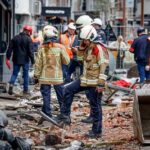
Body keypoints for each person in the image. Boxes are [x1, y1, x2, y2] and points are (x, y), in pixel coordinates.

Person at [55, 25, 109, 138]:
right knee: (68, 89)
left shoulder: (99, 49)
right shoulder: (88, 48)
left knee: (95, 106)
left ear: (92, 37)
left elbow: (104, 68)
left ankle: (96, 131)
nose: (84, 41)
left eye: (85, 40)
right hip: (85, 79)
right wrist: (79, 50)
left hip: (94, 82)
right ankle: (65, 116)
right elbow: (80, 61)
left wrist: (100, 84)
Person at [34, 25, 70, 121]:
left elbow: (38, 64)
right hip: (57, 77)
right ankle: (64, 115)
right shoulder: (61, 47)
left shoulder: (41, 48)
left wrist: (36, 76)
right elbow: (67, 61)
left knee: (46, 96)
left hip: (44, 77)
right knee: (61, 96)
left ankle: (47, 115)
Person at [6, 25, 34, 95]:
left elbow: (9, 49)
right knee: (25, 75)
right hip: (25, 60)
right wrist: (33, 60)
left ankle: (11, 84)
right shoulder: (29, 39)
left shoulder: (15, 38)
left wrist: (7, 58)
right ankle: (25, 90)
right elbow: (30, 52)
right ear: (29, 32)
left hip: (16, 59)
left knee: (14, 73)